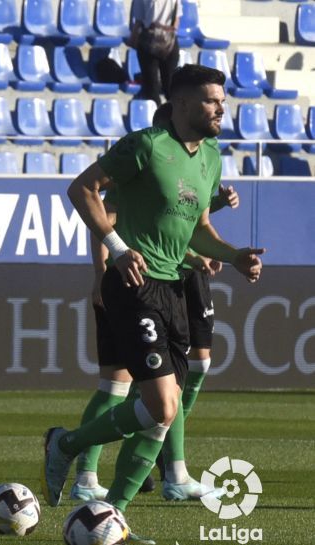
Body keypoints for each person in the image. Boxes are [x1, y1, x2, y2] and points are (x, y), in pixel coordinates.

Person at [43, 64, 264, 518]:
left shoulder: (211, 155)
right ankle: (71, 451)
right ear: (182, 104)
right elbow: (81, 189)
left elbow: (198, 229)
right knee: (160, 403)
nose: (221, 107)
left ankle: (110, 507)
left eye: (222, 100)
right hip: (133, 283)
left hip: (175, 288)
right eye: (211, 100)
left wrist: (235, 254)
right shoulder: (146, 145)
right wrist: (116, 247)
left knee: (161, 415)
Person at [128, 0, 181, 105]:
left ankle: (158, 116)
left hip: (149, 40)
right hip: (169, 41)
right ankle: (174, 116)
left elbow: (138, 21)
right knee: (170, 86)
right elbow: (177, 20)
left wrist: (133, 39)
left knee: (151, 87)